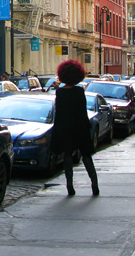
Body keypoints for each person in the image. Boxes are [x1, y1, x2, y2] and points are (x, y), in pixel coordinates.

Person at [51, 59, 99, 196]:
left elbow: (59, 114)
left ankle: (69, 185)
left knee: (67, 156)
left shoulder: (60, 93)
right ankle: (94, 183)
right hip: (80, 128)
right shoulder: (79, 91)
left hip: (66, 129)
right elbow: (82, 111)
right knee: (86, 156)